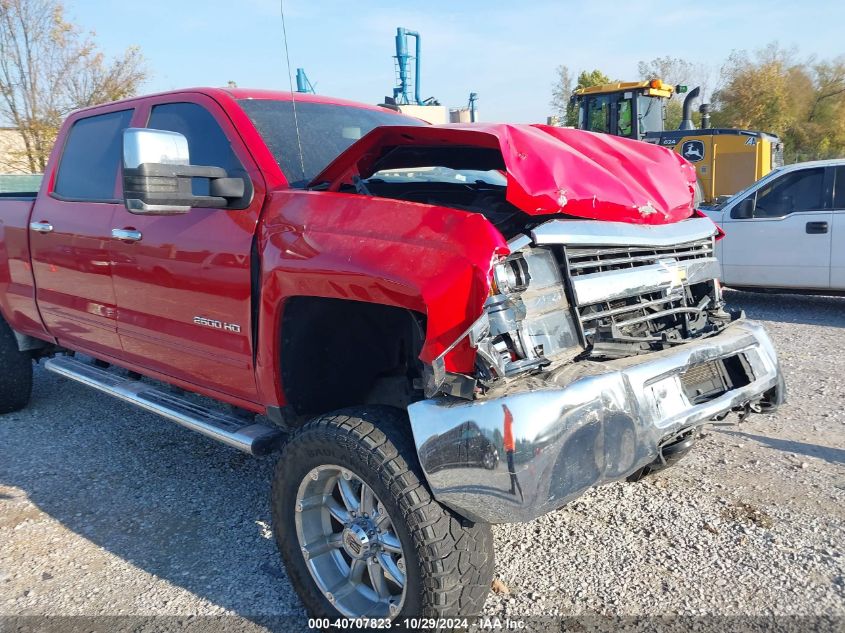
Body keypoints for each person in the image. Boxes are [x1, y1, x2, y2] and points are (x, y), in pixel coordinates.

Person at [502, 404, 523, 501]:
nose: (503, 410)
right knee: (511, 471)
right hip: (508, 449)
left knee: (513, 471)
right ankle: (513, 490)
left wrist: (506, 409)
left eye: (504, 409)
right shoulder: (505, 422)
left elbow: (511, 418)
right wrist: (503, 444)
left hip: (510, 449)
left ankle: (520, 491)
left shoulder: (508, 418)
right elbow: (506, 434)